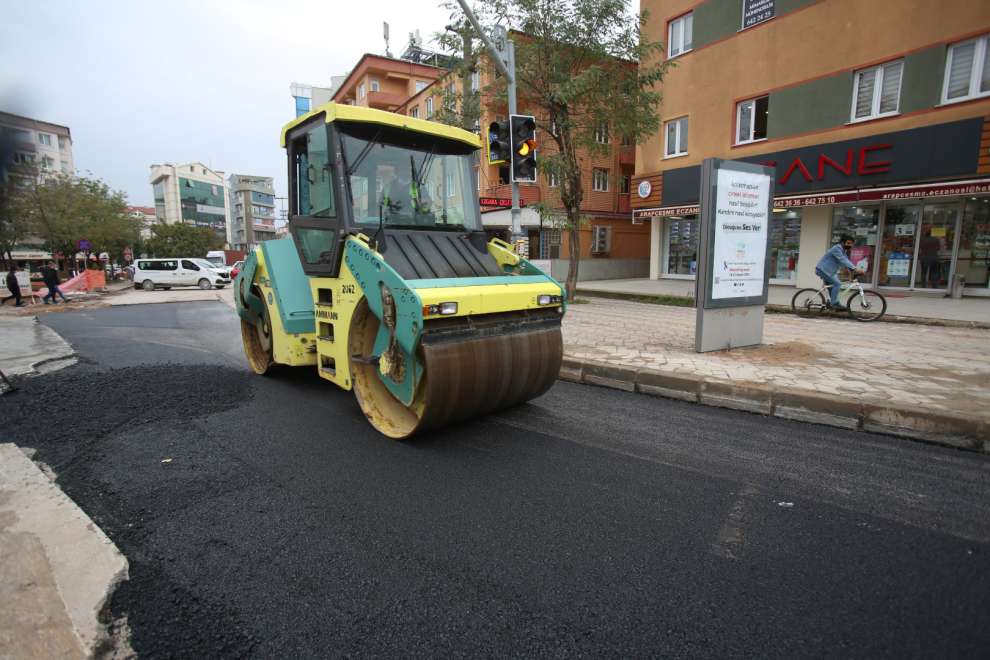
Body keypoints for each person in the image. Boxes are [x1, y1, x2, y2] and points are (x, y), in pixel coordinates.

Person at [815, 234, 865, 309]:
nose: (850, 245)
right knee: (837, 284)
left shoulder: (843, 251)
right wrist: (855, 269)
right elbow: (843, 260)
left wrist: (852, 272)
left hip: (829, 272)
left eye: (851, 244)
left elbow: (847, 262)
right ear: (842, 242)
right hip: (823, 270)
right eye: (848, 243)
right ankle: (834, 303)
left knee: (832, 287)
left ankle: (832, 302)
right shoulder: (836, 248)